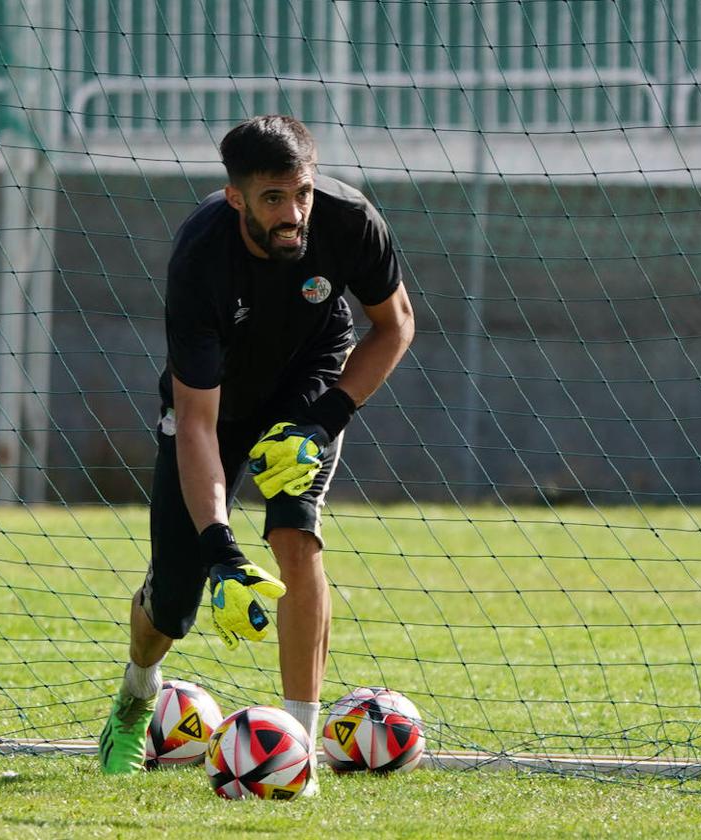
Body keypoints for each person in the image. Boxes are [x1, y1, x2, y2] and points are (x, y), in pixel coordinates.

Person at [99, 115, 415, 793]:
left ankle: (297, 746)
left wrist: (323, 422)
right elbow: (196, 425)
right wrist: (220, 553)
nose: (293, 212)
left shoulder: (352, 221)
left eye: (300, 192)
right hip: (217, 402)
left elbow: (396, 325)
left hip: (309, 387)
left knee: (294, 535)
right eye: (273, 199)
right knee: (173, 602)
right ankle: (134, 701)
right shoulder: (201, 261)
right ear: (236, 197)